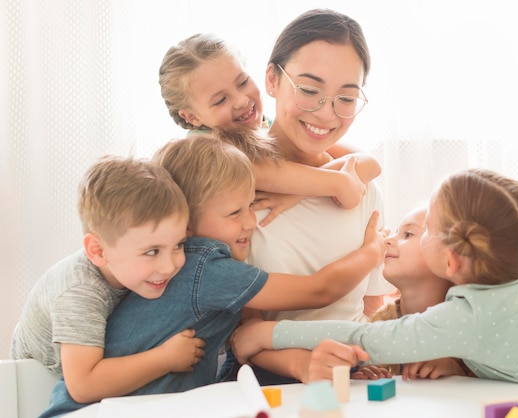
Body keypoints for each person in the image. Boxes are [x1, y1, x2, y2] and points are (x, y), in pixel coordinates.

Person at [41, 132, 386, 417]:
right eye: (235, 212)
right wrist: (373, 252)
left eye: (252, 205)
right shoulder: (205, 268)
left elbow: (249, 326)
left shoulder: (187, 266)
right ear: (188, 224)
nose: (250, 222)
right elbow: (318, 291)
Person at [231, 168, 518, 392]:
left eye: (424, 230)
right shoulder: (515, 288)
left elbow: (367, 340)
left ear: (451, 262)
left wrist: (266, 333)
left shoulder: (471, 316)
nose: (401, 237)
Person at [220, 8, 394, 385]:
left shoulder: (362, 188)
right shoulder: (234, 192)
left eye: (346, 98)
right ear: (272, 79)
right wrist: (305, 365)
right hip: (267, 376)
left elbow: (368, 307)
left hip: (352, 372)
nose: (326, 113)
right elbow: (240, 330)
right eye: (310, 90)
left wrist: (361, 363)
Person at [10, 156, 206, 409]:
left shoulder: (129, 270)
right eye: (152, 251)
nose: (170, 266)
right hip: (33, 387)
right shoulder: (80, 292)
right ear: (98, 251)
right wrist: (166, 359)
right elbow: (82, 385)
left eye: (178, 245)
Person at [158, 32, 382, 224]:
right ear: (192, 117)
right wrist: (338, 182)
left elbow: (369, 162)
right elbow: (266, 175)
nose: (241, 101)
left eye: (243, 82)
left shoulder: (267, 126)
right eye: (220, 100)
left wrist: (299, 194)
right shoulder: (203, 149)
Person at [351, 207, 470, 380]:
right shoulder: (381, 323)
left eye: (407, 234)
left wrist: (456, 373)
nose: (387, 241)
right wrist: (364, 376)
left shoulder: (469, 323)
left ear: (449, 258)